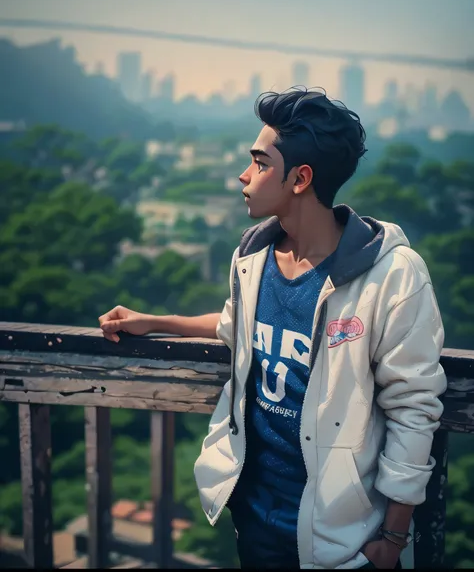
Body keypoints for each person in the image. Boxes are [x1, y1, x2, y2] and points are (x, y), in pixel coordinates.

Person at [99, 87, 447, 570]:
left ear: (300, 178)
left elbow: (414, 408)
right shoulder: (254, 257)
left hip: (342, 535)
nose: (244, 175)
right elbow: (234, 324)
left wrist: (393, 537)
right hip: (256, 517)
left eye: (260, 163)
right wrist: (153, 321)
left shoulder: (391, 275)